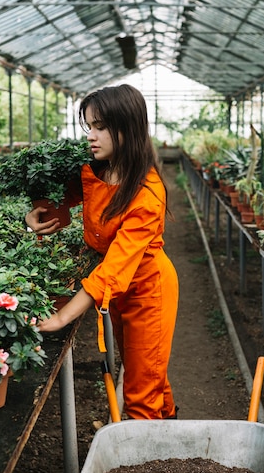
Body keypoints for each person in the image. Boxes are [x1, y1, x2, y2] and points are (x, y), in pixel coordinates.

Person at [24, 84, 179, 420]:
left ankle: (148, 465)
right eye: (89, 127)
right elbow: (62, 205)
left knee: (140, 395)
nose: (91, 137)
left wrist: (64, 316)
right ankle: (170, 430)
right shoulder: (99, 170)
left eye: (101, 127)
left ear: (128, 129)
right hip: (120, 293)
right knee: (147, 370)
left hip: (149, 291)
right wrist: (39, 213)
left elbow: (113, 269)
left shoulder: (146, 193)